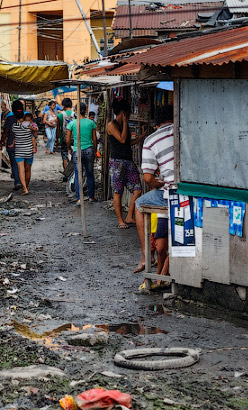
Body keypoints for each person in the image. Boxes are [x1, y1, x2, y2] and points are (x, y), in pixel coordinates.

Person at [135, 105, 175, 284]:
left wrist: (160, 183)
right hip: (189, 191)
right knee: (162, 245)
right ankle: (160, 275)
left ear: (155, 123)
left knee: (138, 204)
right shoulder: (183, 129)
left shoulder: (151, 140)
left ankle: (146, 255)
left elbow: (148, 177)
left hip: (168, 193)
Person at [105, 98, 142, 231]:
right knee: (118, 191)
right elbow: (121, 139)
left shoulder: (121, 125)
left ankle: (129, 216)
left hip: (127, 160)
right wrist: (125, 123)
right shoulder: (112, 125)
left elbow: (127, 142)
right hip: (117, 162)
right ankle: (121, 220)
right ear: (123, 112)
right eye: (127, 112)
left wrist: (140, 138)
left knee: (138, 188)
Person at [66, 103, 98, 202]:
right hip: (89, 150)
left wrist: (69, 149)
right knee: (90, 174)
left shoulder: (72, 123)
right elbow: (94, 139)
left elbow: (67, 140)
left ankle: (79, 198)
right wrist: (95, 151)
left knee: (78, 174)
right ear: (86, 110)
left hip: (77, 150)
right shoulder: (91, 123)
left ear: (76, 110)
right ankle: (91, 197)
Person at [10, 111, 37, 195]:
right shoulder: (29, 125)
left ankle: (24, 188)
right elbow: (35, 134)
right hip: (29, 150)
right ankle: (26, 186)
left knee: (21, 170)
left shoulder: (14, 126)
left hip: (19, 150)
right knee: (28, 170)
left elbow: (15, 136)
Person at [0, 100, 25, 191]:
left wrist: (1, 141)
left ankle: (17, 182)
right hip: (23, 145)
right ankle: (24, 183)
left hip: (12, 145)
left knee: (14, 164)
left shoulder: (10, 119)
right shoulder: (25, 119)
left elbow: (6, 132)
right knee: (22, 164)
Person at [56, 98, 76, 171]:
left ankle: (66, 173)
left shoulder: (60, 115)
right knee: (74, 154)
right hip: (74, 138)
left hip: (64, 137)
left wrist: (57, 139)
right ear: (71, 105)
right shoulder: (75, 114)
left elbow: (58, 129)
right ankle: (73, 173)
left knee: (65, 156)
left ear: (63, 106)